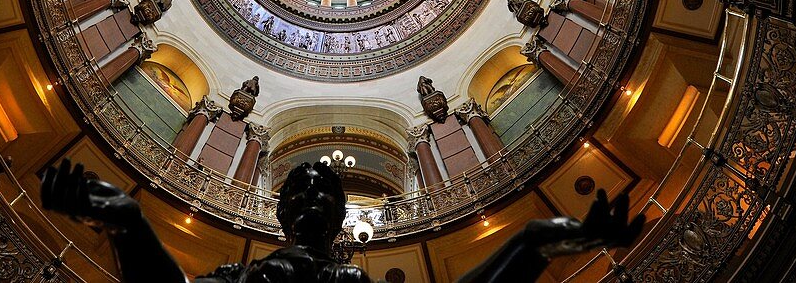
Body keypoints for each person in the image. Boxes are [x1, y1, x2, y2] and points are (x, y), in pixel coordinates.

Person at [42, 158, 643, 282]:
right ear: (277, 216)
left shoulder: (348, 282)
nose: (307, 202)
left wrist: (539, 239)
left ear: (341, 218)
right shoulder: (236, 277)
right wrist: (125, 221)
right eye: (297, 196)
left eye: (321, 196)